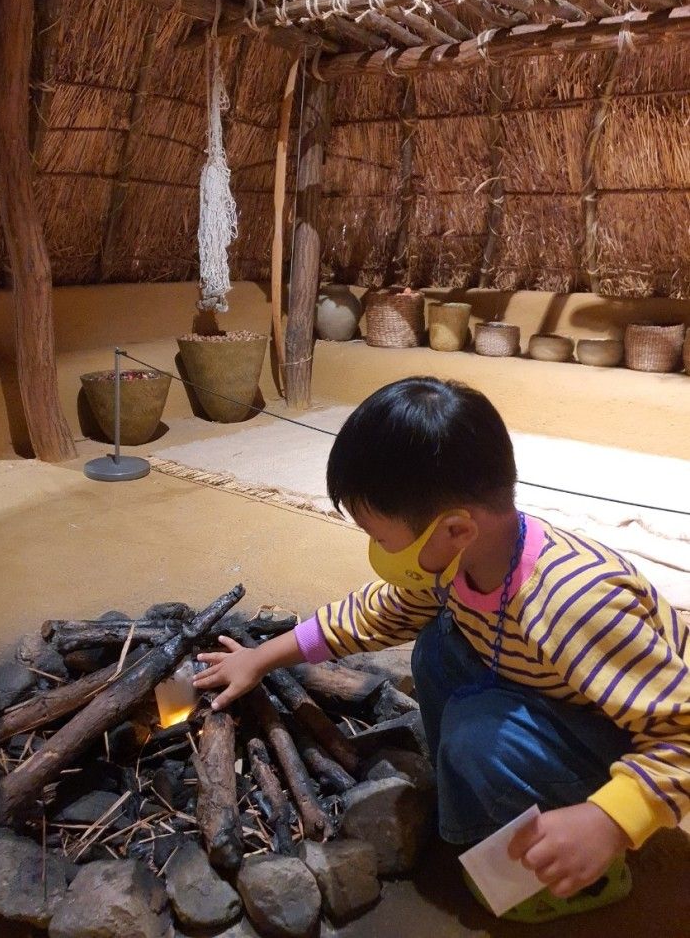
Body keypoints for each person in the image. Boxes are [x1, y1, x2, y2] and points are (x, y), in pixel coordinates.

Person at [193, 377, 690, 923]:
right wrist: (259, 659)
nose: (378, 553)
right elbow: (374, 614)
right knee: (438, 646)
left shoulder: (577, 603)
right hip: (558, 693)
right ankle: (488, 796)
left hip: (627, 738)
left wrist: (609, 820)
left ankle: (587, 869)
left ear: (455, 529)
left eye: (383, 539)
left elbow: (681, 732)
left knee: (478, 735)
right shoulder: (461, 562)